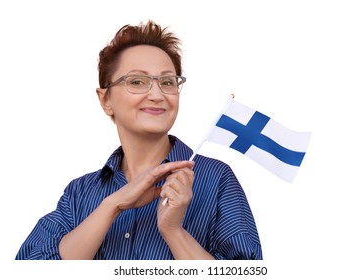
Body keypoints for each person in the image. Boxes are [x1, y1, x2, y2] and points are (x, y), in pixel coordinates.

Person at [15, 20, 262, 260]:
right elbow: (31, 268)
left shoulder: (216, 179)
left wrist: (174, 232)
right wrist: (112, 206)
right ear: (105, 100)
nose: (156, 94)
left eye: (167, 82)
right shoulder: (80, 192)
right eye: (137, 82)